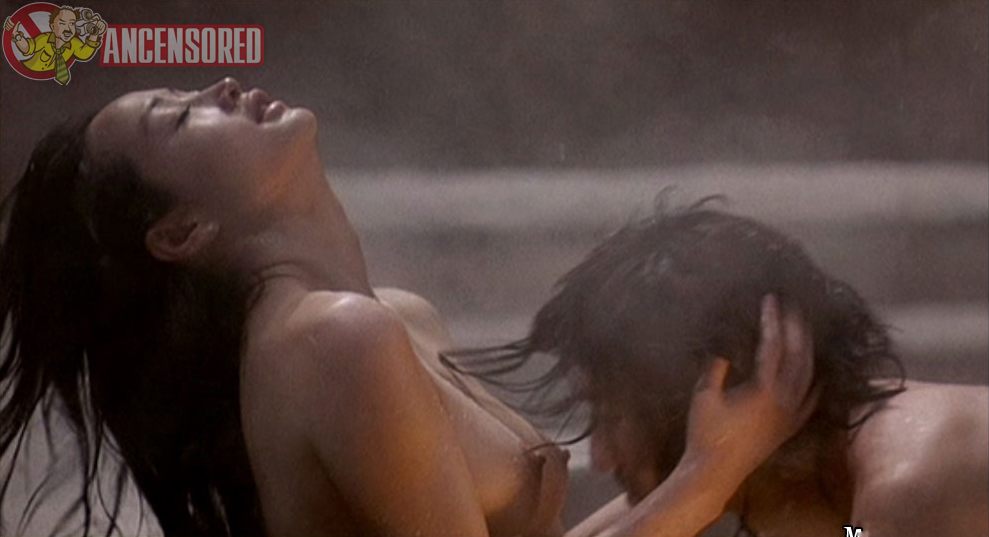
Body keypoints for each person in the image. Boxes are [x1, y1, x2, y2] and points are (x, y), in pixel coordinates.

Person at [1, 79, 816, 537]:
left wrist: (715, 464)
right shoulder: (333, 341)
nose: (220, 87)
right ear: (182, 232)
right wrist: (706, 477)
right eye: (181, 119)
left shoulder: (394, 317)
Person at [465, 205, 988, 537]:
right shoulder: (761, 465)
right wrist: (699, 482)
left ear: (719, 390)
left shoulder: (914, 478)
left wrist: (701, 481)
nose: (600, 457)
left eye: (611, 416)